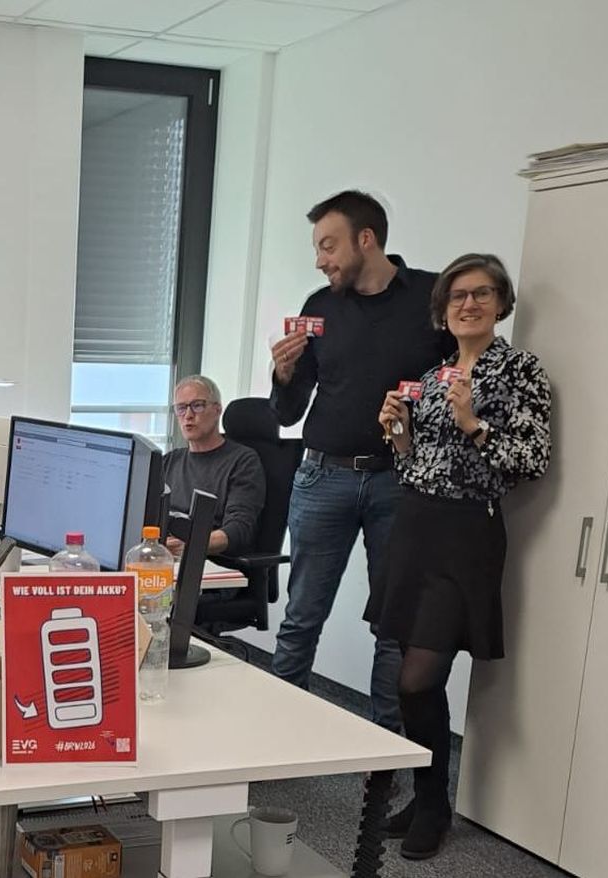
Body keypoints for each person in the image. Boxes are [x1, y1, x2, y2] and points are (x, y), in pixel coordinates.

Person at [370, 253, 551, 859]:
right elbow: (413, 465)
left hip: (467, 533)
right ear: (443, 309)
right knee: (409, 674)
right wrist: (399, 432)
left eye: (481, 294)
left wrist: (472, 422)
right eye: (457, 296)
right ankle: (428, 799)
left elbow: (531, 460)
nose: (468, 304)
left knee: (418, 677)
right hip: (415, 528)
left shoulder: (520, 371)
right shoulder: (432, 374)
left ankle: (434, 806)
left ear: (501, 304)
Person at [268, 191, 455, 732]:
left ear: (365, 239)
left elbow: (459, 379)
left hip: (399, 481)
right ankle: (277, 737)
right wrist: (282, 374)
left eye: (328, 246)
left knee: (393, 628)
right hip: (322, 475)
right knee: (301, 618)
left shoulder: (432, 298)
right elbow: (287, 412)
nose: (320, 260)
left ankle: (384, 752)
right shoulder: (319, 307)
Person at [163, 375, 265, 558]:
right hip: (166, 557)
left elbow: (239, 529)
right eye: (181, 408)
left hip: (210, 561)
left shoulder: (243, 461)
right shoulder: (169, 460)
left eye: (197, 405)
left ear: (217, 410)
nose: (188, 415)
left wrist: (191, 546)